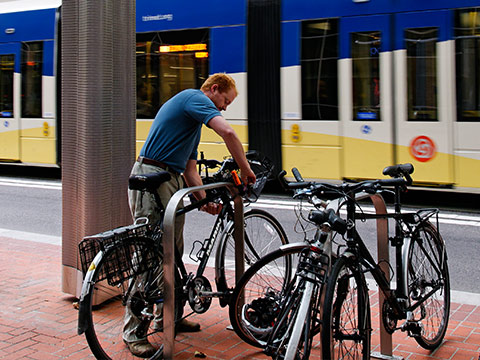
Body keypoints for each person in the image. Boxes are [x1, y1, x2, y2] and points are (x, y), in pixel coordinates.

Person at [123, 73, 256, 358]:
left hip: (170, 179)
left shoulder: (191, 124)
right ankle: (133, 332)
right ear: (214, 89)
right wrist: (245, 170)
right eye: (225, 101)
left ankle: (169, 318)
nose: (224, 108)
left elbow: (190, 170)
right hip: (150, 176)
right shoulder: (193, 98)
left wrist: (204, 201)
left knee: (173, 252)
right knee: (148, 257)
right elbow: (229, 133)